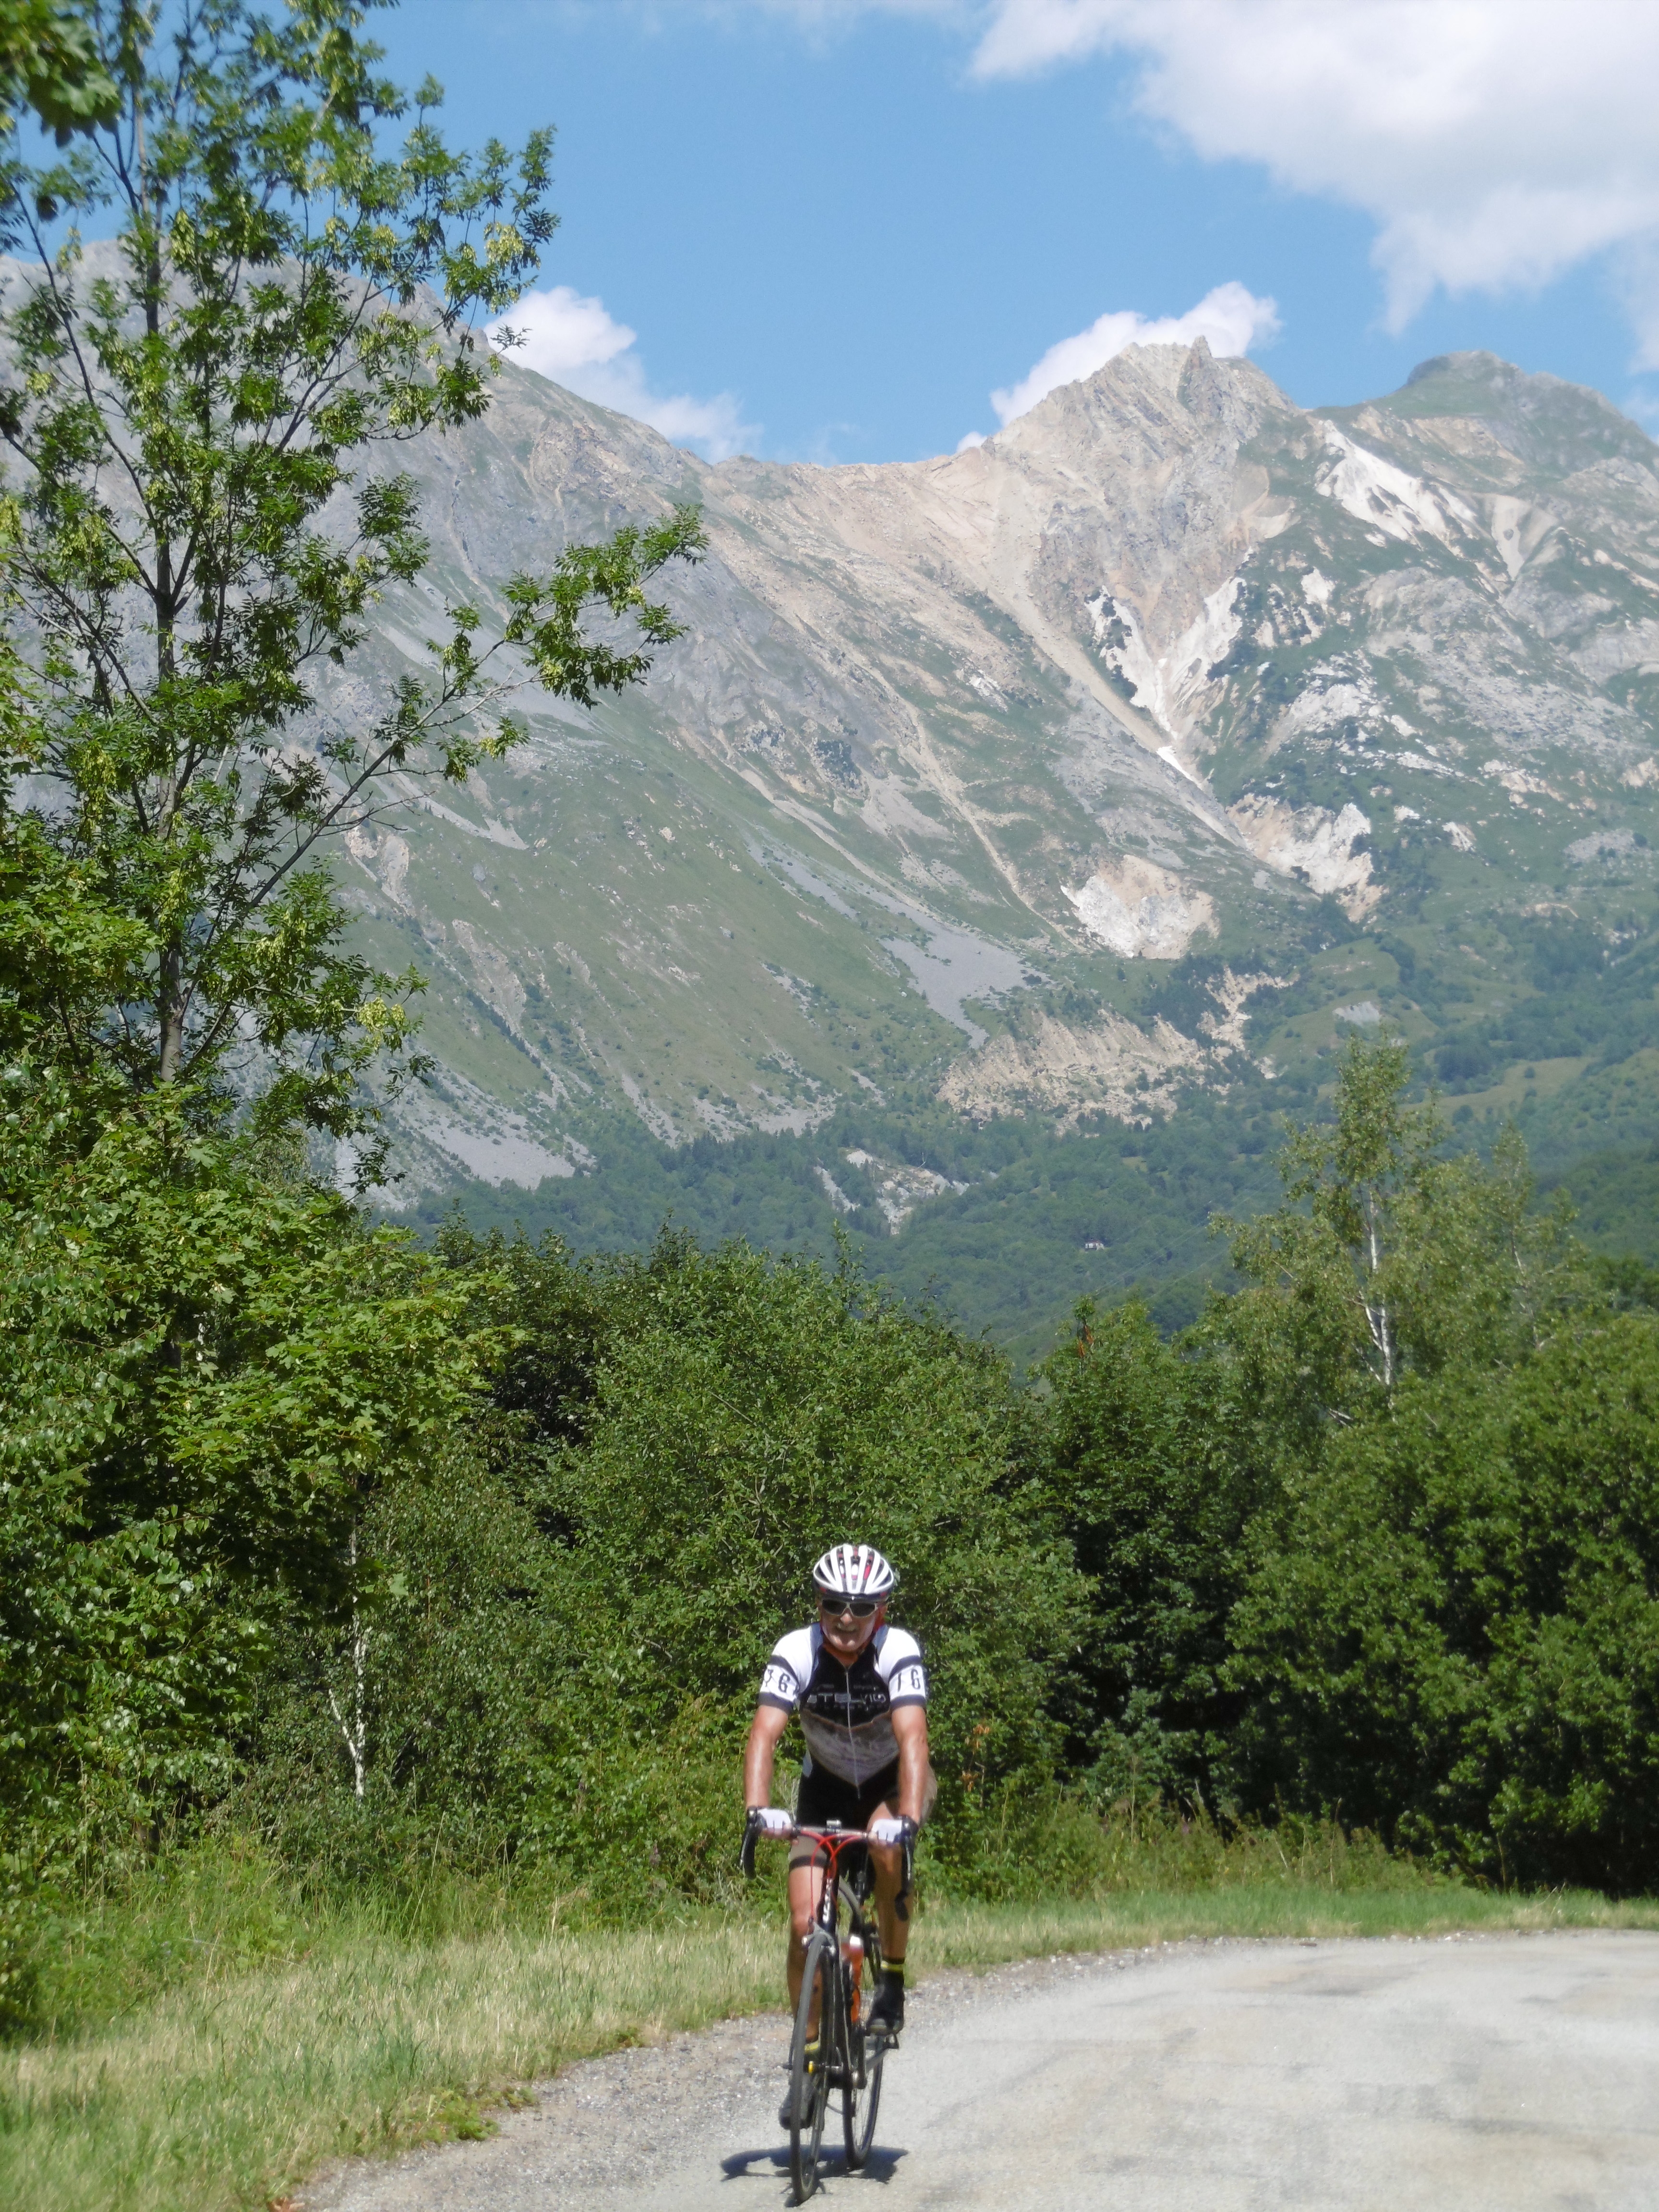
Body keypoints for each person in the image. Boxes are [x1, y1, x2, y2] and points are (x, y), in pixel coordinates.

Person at [743, 1541, 933, 2072]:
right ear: (819, 1605)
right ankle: (807, 2057)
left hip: (887, 1786)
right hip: (823, 1786)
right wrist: (758, 1810)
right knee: (804, 1925)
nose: (847, 1619)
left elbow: (914, 1739)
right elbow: (763, 1734)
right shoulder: (797, 1651)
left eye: (862, 1608)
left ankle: (892, 1975)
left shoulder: (898, 1651)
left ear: (882, 1611)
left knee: (887, 1852)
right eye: (834, 1605)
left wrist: (910, 1820)